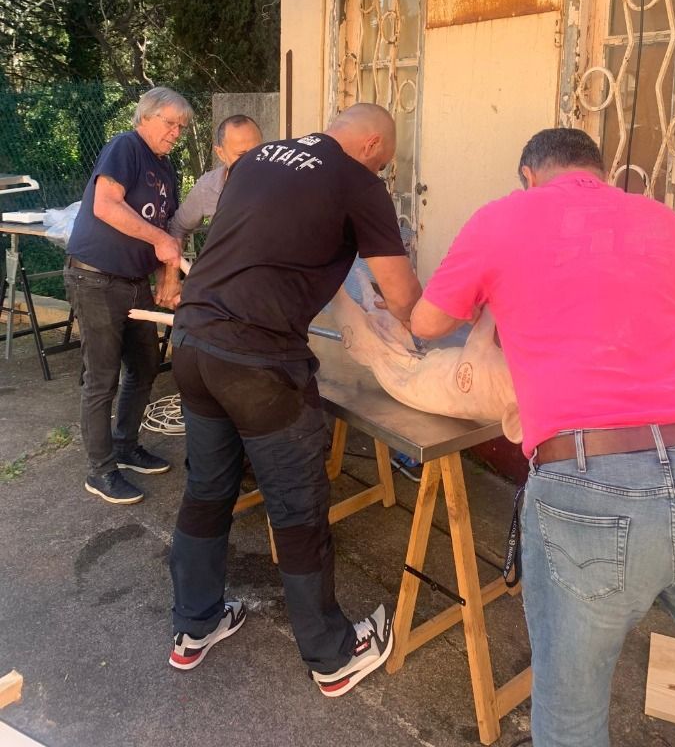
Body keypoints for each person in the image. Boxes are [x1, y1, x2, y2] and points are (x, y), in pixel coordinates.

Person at [410, 128, 675, 747]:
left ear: (528, 175)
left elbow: (426, 321)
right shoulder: (670, 224)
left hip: (590, 479)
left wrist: (496, 300)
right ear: (600, 172)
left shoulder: (502, 217)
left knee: (572, 716)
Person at [168, 103, 422, 695]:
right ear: (372, 146)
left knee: (207, 490)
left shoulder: (257, 158)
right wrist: (433, 332)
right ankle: (333, 656)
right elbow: (402, 293)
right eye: (384, 163)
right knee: (297, 508)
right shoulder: (358, 181)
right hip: (260, 364)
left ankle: (194, 625)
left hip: (192, 344)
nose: (381, 173)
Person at [65, 87, 190, 506]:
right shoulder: (126, 146)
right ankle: (100, 470)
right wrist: (159, 242)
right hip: (95, 279)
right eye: (170, 123)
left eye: (181, 127)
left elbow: (168, 229)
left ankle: (125, 445)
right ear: (146, 117)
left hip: (135, 282)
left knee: (144, 365)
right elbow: (105, 206)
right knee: (102, 378)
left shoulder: (165, 168)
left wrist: (169, 278)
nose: (176, 133)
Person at [168, 114, 263, 242]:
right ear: (221, 153)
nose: (253, 159)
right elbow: (178, 227)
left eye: (258, 151)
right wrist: (175, 250)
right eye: (241, 154)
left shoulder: (281, 180)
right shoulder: (208, 186)